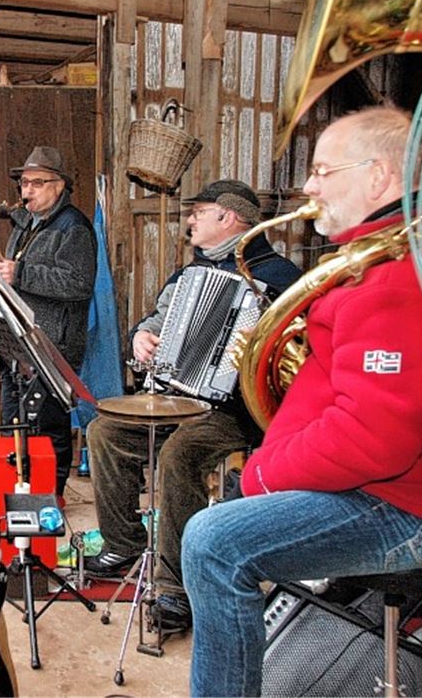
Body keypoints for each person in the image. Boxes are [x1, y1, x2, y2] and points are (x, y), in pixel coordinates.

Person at [182, 106, 422, 696]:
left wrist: (267, 472)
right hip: (379, 485)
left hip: (405, 503)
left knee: (213, 544)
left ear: (378, 177)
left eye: (323, 171)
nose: (309, 187)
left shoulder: (395, 276)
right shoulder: (369, 263)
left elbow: (376, 439)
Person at [85, 179, 302, 631]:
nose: (189, 220)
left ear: (228, 217)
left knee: (179, 454)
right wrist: (141, 337)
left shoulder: (280, 278)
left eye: (197, 212)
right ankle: (123, 543)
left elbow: (298, 356)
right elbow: (155, 320)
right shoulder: (189, 275)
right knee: (103, 432)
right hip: (174, 396)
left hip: (234, 412)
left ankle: (174, 587)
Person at [0, 146, 96, 498]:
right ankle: (20, 486)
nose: (26, 191)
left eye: (36, 182)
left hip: (53, 343)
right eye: (23, 183)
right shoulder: (26, 223)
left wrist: (21, 273)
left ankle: (53, 493)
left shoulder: (74, 227)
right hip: (21, 337)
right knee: (16, 420)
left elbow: (78, 284)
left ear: (59, 185)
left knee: (48, 424)